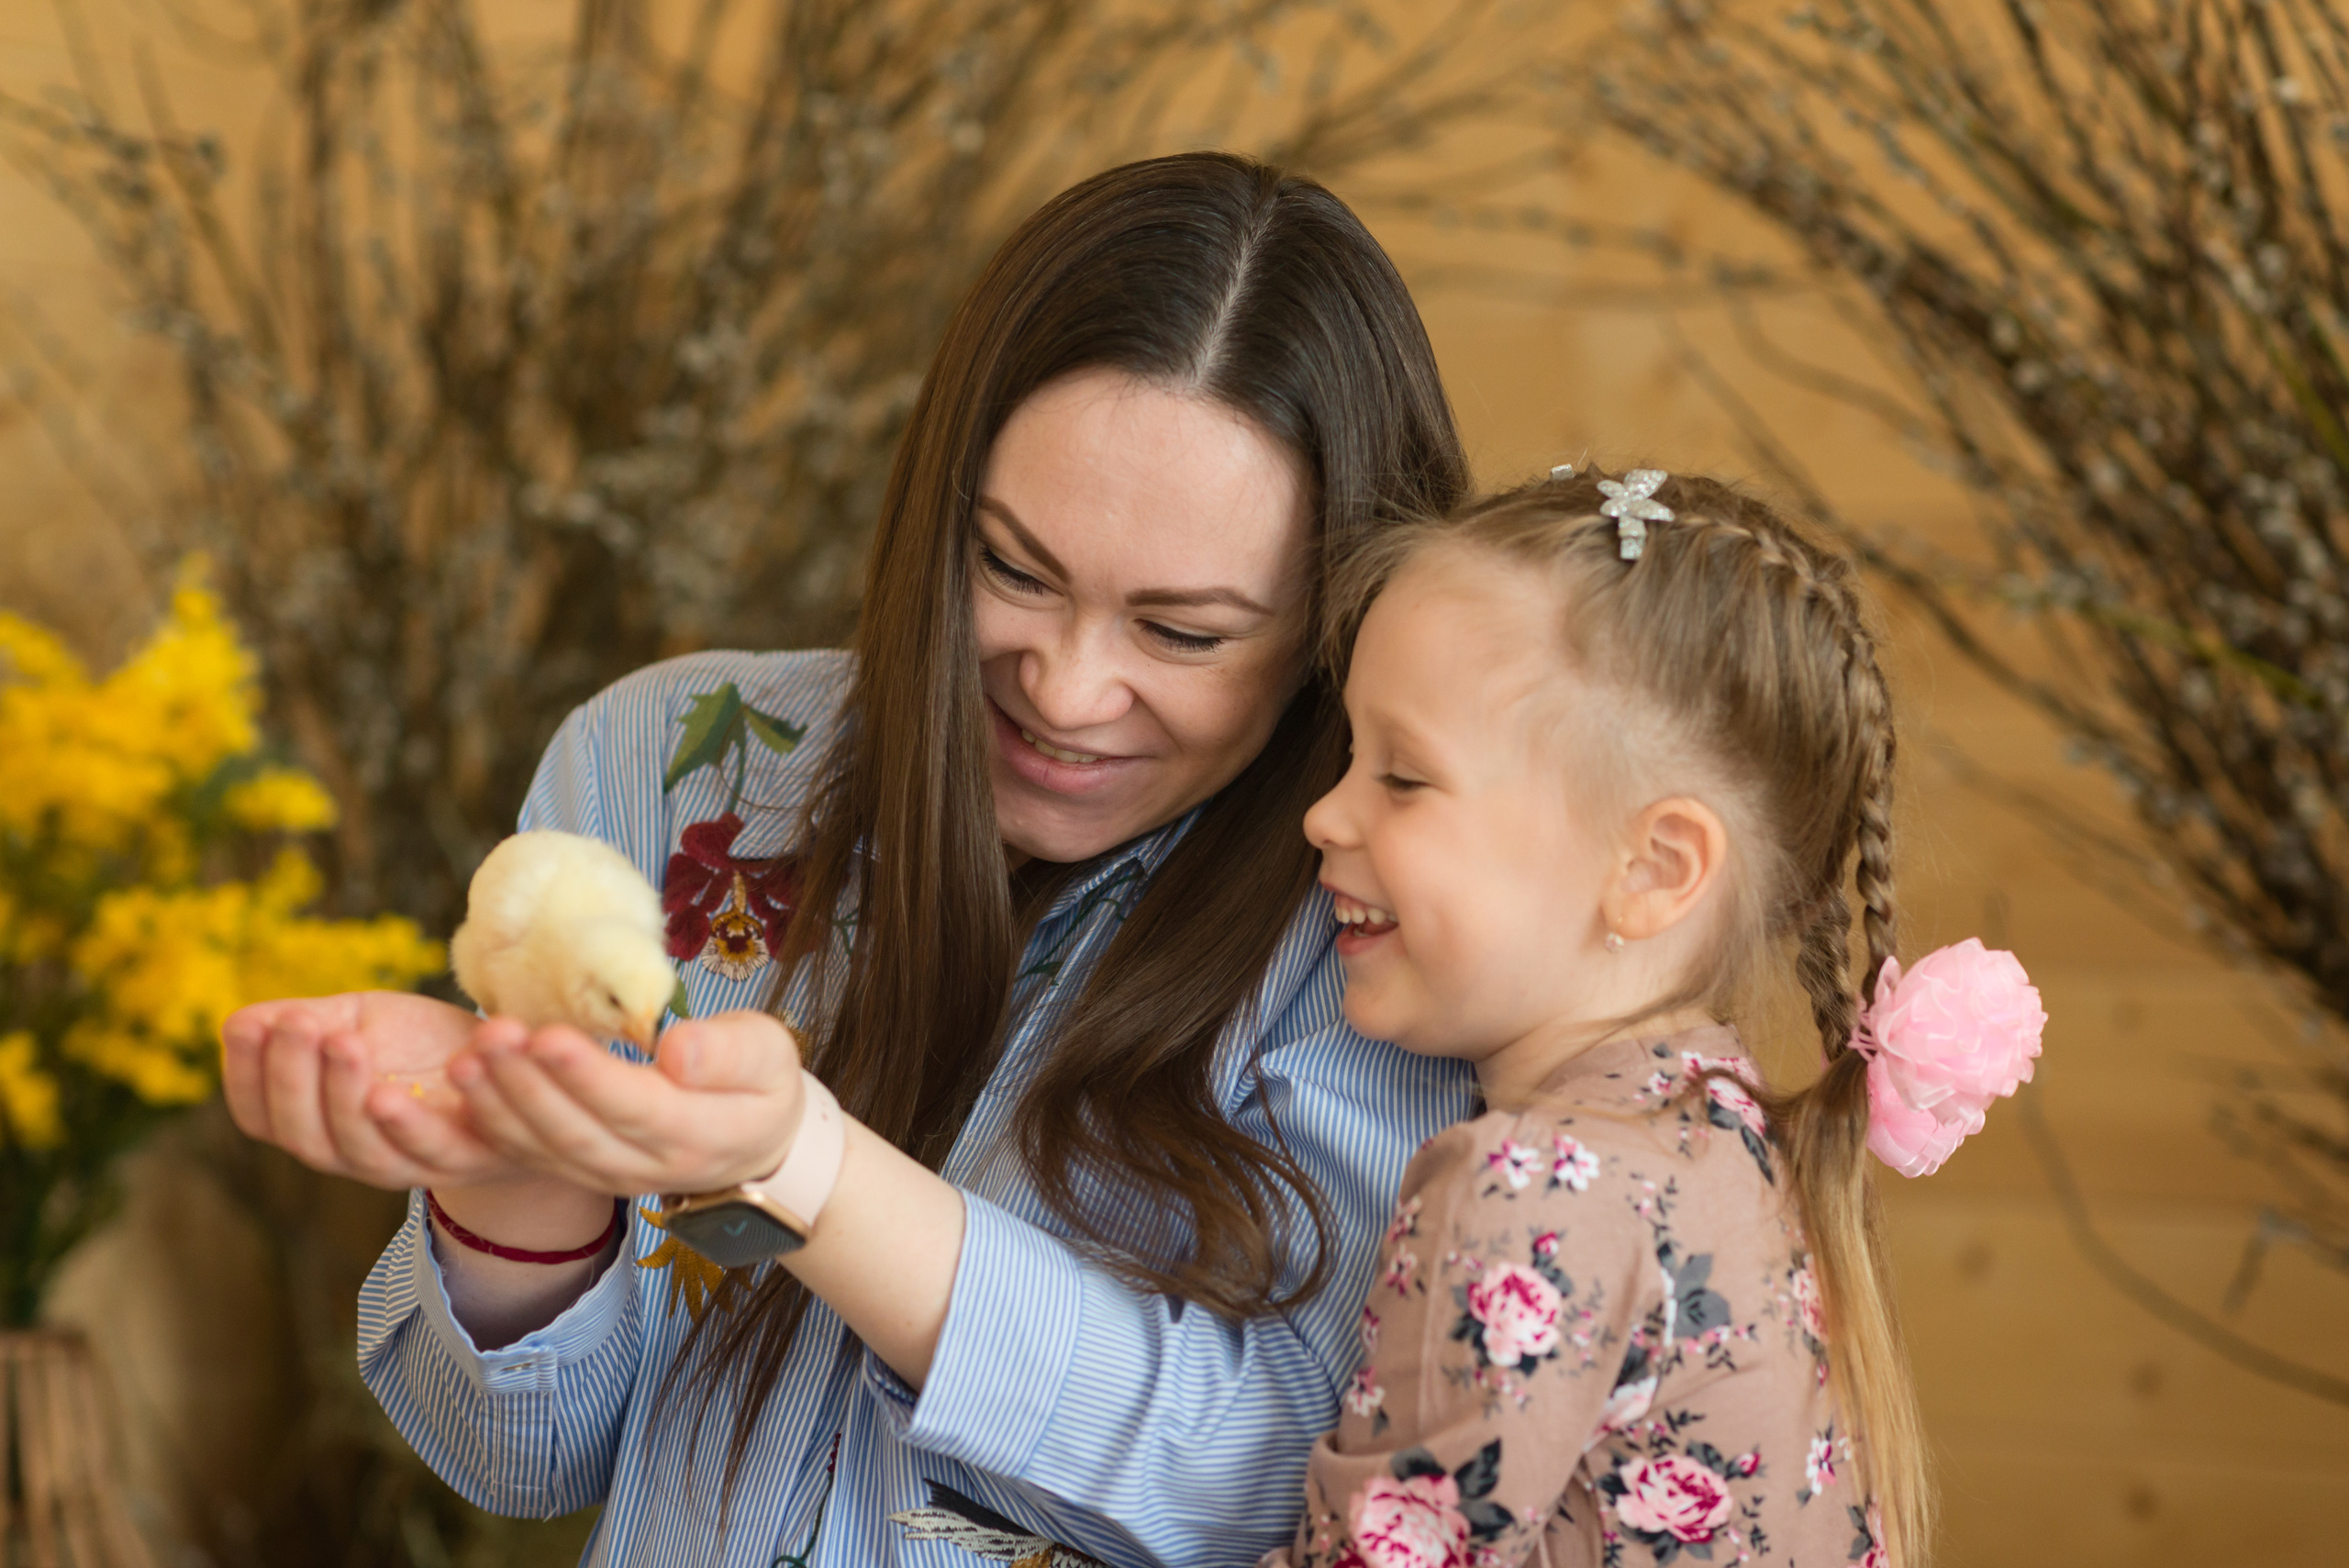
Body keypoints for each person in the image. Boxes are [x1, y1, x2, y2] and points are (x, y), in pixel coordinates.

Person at [217, 152, 1477, 1567]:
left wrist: (801, 1167)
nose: (1064, 690)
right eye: (1011, 567)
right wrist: (513, 1181)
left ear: (1331, 623)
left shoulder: (1380, 931)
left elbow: (1290, 1483)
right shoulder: (661, 767)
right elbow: (520, 1461)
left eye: (1181, 634)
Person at [1270, 469, 2045, 1567]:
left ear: (1651, 867)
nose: (1324, 810)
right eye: (1347, 754)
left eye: (1400, 776)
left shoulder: (1525, 1191)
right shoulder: (1738, 1150)